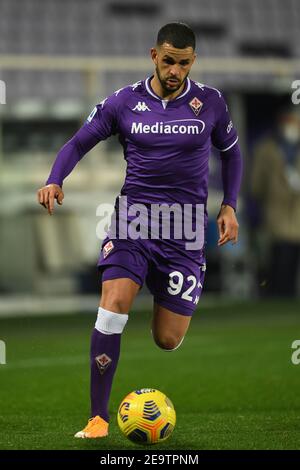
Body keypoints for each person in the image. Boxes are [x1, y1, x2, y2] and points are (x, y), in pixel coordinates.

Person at [37, 23, 242, 438]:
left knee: (167, 339)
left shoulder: (212, 103)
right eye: (168, 61)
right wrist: (55, 178)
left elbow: (232, 153)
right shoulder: (124, 102)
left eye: (183, 63)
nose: (174, 70)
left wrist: (230, 205)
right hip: (134, 220)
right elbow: (78, 143)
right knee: (112, 306)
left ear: (193, 62)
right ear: (154, 55)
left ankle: (160, 291)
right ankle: (97, 418)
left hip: (185, 230)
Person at [251, 107, 300, 297]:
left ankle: (287, 297)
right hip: (276, 212)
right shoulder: (266, 148)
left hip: (296, 212)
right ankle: (275, 295)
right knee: (278, 258)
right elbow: (256, 185)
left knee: (292, 260)